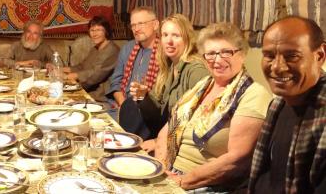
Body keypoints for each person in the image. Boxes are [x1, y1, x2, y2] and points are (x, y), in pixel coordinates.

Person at [153, 22, 272, 192]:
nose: (217, 60)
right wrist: (161, 169)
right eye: (210, 54)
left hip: (204, 185)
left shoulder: (254, 95)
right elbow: (166, 132)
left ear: (242, 54)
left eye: (226, 52)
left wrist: (181, 182)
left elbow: (237, 160)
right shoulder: (202, 86)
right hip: (170, 173)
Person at [249, 16, 326, 193]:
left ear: (320, 56)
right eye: (269, 56)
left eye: (292, 56)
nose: (277, 67)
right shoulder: (278, 103)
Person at [129, 14, 208, 147]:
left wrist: (158, 142)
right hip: (165, 137)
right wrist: (143, 97)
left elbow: (198, 121)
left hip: (185, 146)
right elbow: (157, 114)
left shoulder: (196, 70)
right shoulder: (169, 66)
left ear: (187, 39)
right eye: (165, 35)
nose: (169, 41)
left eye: (176, 36)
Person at [106, 6, 160, 106]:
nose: (136, 29)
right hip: (119, 105)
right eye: (133, 25)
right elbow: (115, 82)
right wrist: (124, 105)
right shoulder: (127, 48)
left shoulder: (164, 52)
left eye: (141, 23)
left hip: (148, 110)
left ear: (155, 24)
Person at [63, 16, 120, 104]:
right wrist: (62, 69)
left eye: (98, 30)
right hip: (89, 92)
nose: (95, 34)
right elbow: (82, 66)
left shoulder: (112, 50)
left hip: (101, 97)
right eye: (92, 30)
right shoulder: (95, 49)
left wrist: (73, 75)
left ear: (106, 31)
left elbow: (96, 74)